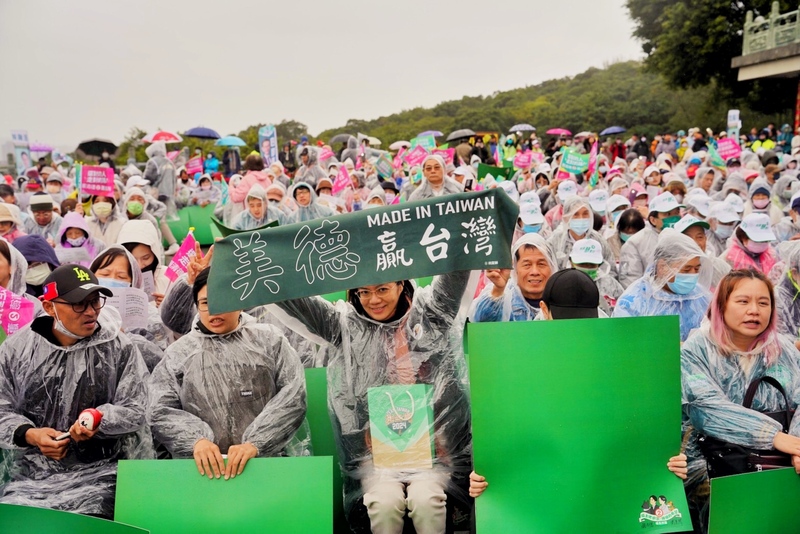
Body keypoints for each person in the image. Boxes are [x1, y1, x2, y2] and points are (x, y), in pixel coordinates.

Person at [272, 267, 473, 534]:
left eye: (382, 289)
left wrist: (462, 232)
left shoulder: (430, 315)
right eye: (363, 292)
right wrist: (259, 265)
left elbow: (455, 274)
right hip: (376, 457)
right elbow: (297, 300)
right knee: (383, 503)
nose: (373, 300)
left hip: (433, 453)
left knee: (427, 501)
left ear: (401, 284)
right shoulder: (343, 325)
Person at [0, 264, 150, 518]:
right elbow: (2, 406)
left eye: (95, 301)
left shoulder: (118, 348)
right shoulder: (18, 350)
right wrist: (29, 434)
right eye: (79, 304)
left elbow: (135, 408)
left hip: (103, 474)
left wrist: (98, 419)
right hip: (30, 477)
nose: (91, 312)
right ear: (49, 307)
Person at [148, 267, 307, 475]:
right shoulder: (178, 353)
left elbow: (293, 396)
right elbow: (160, 409)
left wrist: (257, 443)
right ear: (197, 306)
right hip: (201, 471)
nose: (214, 310)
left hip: (265, 466)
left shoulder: (270, 341)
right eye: (205, 303)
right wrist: (196, 441)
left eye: (222, 299)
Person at [681, 269, 800, 532]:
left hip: (778, 463)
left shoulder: (784, 350)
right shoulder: (696, 350)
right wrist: (774, 436)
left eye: (763, 302)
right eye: (743, 301)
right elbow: (706, 408)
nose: (754, 310)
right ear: (721, 305)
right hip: (714, 466)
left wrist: (797, 445)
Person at [614, 230, 711, 342]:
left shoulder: (700, 297)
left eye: (697, 269)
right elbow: (622, 343)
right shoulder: (635, 301)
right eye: (686, 269)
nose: (692, 275)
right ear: (662, 267)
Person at [471, 233, 557, 321]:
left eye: (541, 264)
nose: (534, 272)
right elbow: (480, 324)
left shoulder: (561, 298)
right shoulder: (505, 297)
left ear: (551, 267)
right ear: (515, 268)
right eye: (527, 265)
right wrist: (498, 290)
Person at [619, 192, 684, 288]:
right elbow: (630, 284)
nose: (674, 218)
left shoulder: (684, 236)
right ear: (653, 220)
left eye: (676, 213)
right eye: (668, 214)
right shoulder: (635, 244)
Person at [547, 197, 617, 276]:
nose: (581, 218)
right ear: (566, 218)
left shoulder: (598, 240)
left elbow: (611, 270)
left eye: (585, 214)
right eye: (575, 214)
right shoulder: (555, 242)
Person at [117, 220, 169, 302]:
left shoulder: (168, 277)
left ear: (155, 254)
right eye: (132, 259)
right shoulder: (113, 277)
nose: (139, 265)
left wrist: (168, 305)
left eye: (146, 258)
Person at [674, 215, 731, 288]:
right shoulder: (670, 269)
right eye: (688, 238)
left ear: (705, 239)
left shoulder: (721, 267)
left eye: (699, 237)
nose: (695, 243)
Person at [569, 239, 624, 315]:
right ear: (571, 262)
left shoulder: (611, 285)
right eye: (582, 264)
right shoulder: (563, 284)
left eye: (591, 264)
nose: (587, 268)